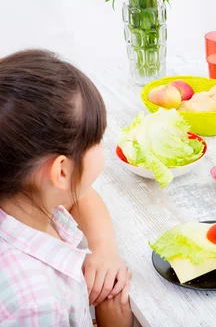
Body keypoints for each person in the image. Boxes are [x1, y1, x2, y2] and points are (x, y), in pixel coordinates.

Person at [0, 49, 133, 326]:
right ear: (62, 171)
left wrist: (104, 251)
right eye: (96, 140)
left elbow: (82, 197)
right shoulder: (36, 306)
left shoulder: (20, 198)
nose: (101, 146)